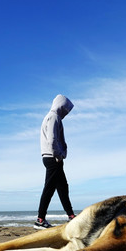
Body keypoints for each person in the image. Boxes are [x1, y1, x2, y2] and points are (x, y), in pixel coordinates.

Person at [35, 94, 76, 229]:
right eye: (66, 108)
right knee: (49, 189)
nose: (66, 112)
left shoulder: (51, 117)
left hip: (51, 157)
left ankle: (71, 216)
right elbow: (52, 140)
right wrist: (58, 155)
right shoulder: (53, 117)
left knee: (62, 187)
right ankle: (40, 220)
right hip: (53, 158)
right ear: (61, 105)